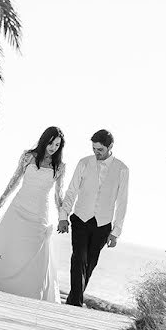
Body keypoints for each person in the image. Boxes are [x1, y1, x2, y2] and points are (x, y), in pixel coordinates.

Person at [0, 127, 66, 302]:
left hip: (40, 212)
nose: (53, 147)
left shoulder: (60, 167)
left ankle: (30, 291)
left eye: (57, 145)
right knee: (9, 244)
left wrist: (63, 217)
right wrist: (0, 202)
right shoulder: (28, 156)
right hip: (18, 207)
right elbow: (14, 180)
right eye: (51, 143)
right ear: (44, 140)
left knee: (33, 250)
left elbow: (58, 195)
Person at [57, 129, 129, 307]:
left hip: (103, 225)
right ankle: (76, 305)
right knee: (78, 259)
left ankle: (73, 300)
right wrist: (63, 216)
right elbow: (72, 190)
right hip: (80, 219)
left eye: (100, 150)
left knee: (89, 265)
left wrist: (116, 232)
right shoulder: (84, 163)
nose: (96, 153)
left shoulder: (122, 169)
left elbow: (122, 201)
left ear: (110, 147)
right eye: (94, 149)